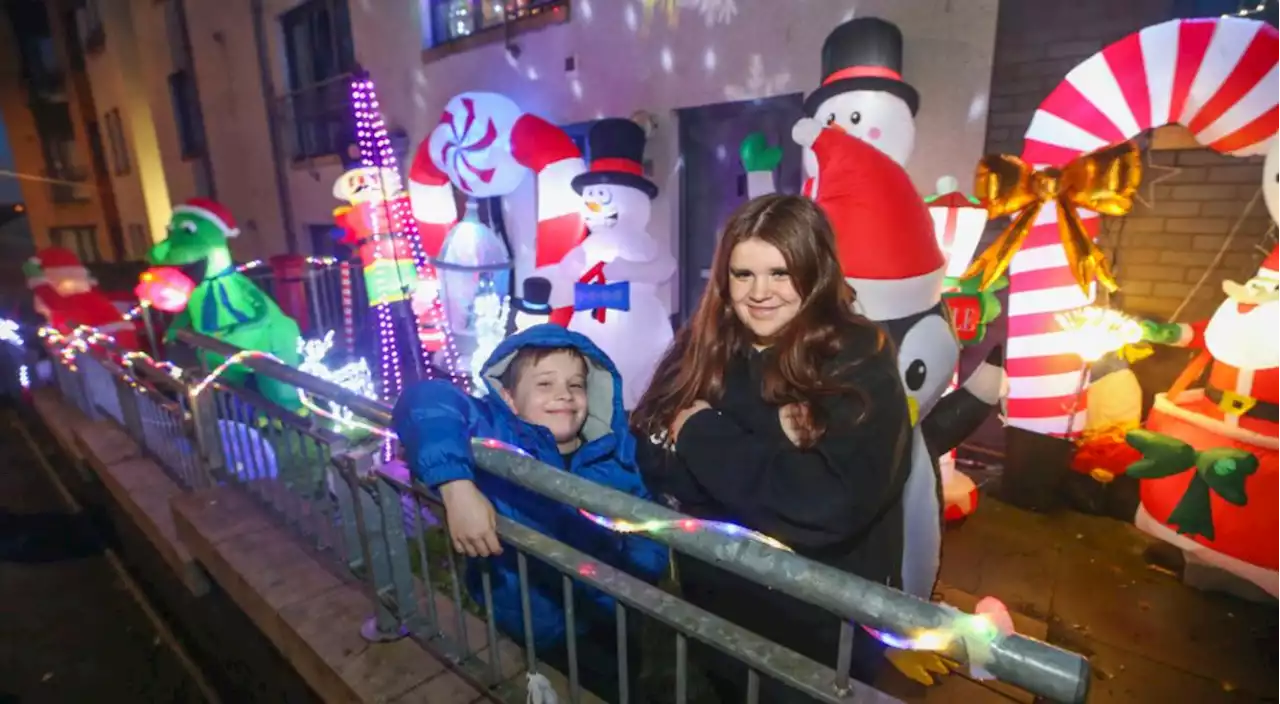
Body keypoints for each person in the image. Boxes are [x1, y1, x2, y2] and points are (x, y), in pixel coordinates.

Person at [631, 194, 914, 701]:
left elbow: (826, 506)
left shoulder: (856, 361)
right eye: (743, 274)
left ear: (816, 272)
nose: (759, 293)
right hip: (716, 607)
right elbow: (651, 446)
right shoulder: (706, 342)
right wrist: (772, 452)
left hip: (817, 632)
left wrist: (700, 432)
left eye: (780, 273)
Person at [392, 323, 667, 701]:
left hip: (608, 620)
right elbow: (424, 400)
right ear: (508, 397)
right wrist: (456, 485)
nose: (564, 396)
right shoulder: (498, 435)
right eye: (545, 384)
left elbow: (649, 525)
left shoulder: (614, 453)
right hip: (528, 622)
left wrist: (636, 575)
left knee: (619, 688)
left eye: (576, 385)